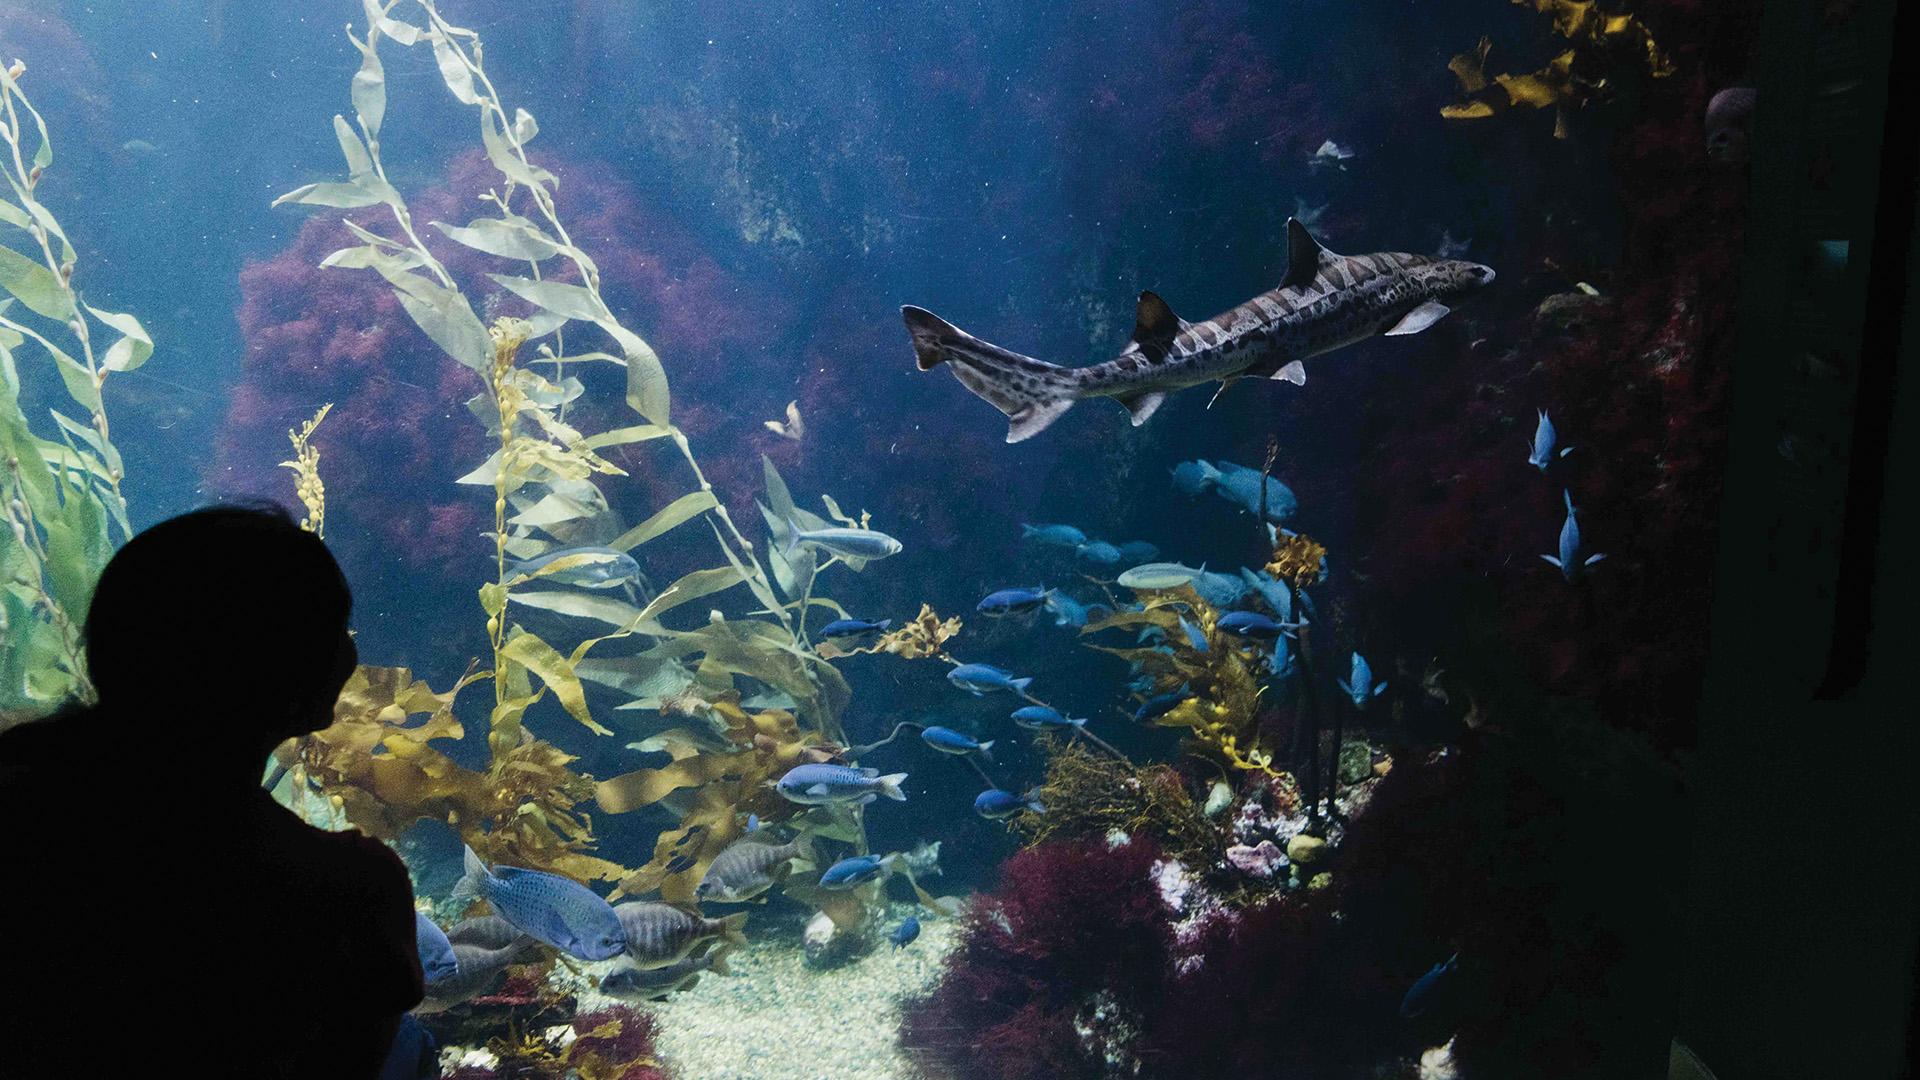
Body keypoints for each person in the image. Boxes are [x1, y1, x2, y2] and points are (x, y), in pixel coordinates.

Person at [0, 505, 424, 1078]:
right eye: (336, 629)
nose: (352, 652)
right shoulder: (348, 892)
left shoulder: (25, 794)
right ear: (283, 664)